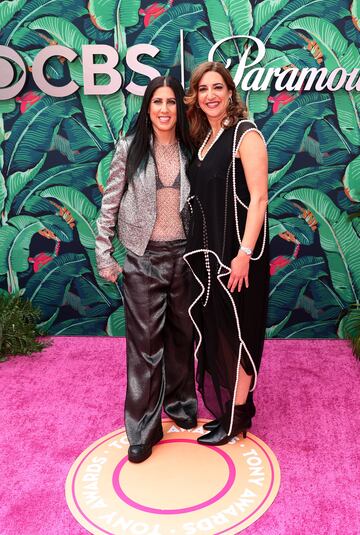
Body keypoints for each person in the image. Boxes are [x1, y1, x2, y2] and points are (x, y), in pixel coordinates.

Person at [95, 76, 197, 463]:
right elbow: (110, 202)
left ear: (180, 108)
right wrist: (105, 253)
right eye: (157, 101)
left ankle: (182, 406)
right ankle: (142, 429)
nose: (165, 109)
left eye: (172, 101)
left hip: (185, 258)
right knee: (144, 349)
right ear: (147, 107)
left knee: (181, 338)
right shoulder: (130, 148)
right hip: (142, 258)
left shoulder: (192, 148)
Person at [184, 61, 269, 445]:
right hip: (208, 257)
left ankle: (236, 417)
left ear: (230, 92)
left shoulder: (245, 135)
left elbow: (259, 198)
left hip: (237, 257)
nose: (211, 95)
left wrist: (244, 253)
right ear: (196, 96)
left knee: (239, 332)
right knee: (218, 331)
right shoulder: (205, 137)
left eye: (217, 87)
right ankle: (231, 412)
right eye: (203, 89)